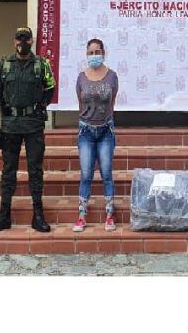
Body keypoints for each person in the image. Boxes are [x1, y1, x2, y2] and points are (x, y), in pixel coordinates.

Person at [0, 26, 56, 233]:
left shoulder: (41, 65)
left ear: (31, 41)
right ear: (14, 41)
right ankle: (4, 215)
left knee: (35, 170)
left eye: (26, 39)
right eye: (19, 39)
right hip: (10, 125)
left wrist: (40, 107)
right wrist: (9, 110)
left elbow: (50, 88)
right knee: (8, 171)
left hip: (33, 124)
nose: (22, 42)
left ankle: (38, 215)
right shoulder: (5, 65)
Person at [73, 38, 120, 232]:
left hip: (105, 131)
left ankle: (110, 214)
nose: (94, 56)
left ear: (103, 52)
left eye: (97, 52)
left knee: (106, 173)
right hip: (86, 132)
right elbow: (80, 102)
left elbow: (112, 101)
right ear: (86, 54)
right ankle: (82, 215)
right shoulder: (81, 77)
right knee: (86, 174)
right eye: (91, 52)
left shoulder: (112, 76)